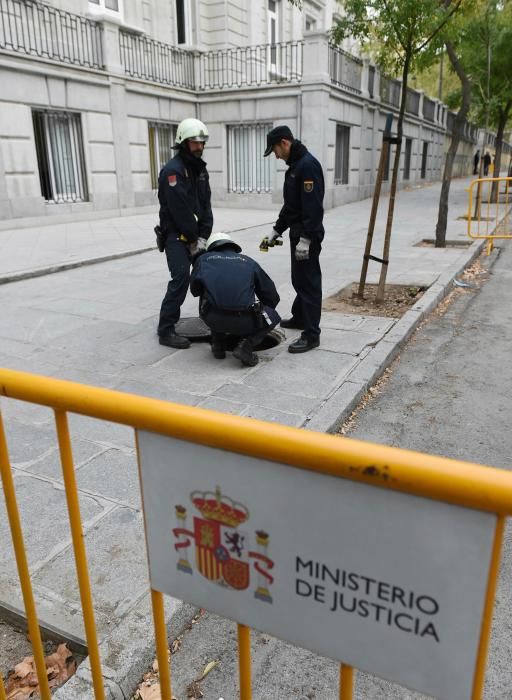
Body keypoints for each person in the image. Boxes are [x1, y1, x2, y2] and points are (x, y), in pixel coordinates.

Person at [261, 125, 324, 353]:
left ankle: (312, 335)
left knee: (309, 284)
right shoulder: (296, 166)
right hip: (297, 233)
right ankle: (300, 318)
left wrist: (307, 239)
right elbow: (291, 207)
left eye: (275, 150)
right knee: (299, 279)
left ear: (285, 143)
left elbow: (313, 208)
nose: (276, 155)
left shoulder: (307, 166)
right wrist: (276, 231)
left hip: (307, 235)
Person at [156, 118, 213, 349]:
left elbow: (206, 204)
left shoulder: (200, 169)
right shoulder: (172, 171)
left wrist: (203, 236)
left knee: (207, 279)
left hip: (196, 238)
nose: (199, 147)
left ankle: (210, 320)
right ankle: (166, 330)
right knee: (180, 280)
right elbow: (180, 211)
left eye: (202, 143)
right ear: (183, 143)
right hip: (176, 238)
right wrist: (192, 239)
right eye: (194, 143)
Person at [190, 233, 280, 367]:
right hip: (244, 321)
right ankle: (246, 346)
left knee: (208, 294)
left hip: (212, 318)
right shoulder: (249, 262)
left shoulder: (203, 260)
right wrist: (261, 312)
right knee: (273, 316)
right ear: (232, 246)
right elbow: (272, 296)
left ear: (211, 248)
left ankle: (218, 346)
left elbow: (195, 291)